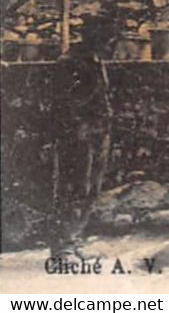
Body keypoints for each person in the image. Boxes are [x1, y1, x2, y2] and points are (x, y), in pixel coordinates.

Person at [46, 16, 113, 256]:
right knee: (74, 187)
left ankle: (75, 237)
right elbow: (62, 102)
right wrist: (78, 128)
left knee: (92, 187)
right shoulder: (69, 62)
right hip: (78, 134)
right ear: (92, 36)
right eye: (105, 37)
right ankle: (62, 246)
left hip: (99, 132)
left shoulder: (97, 61)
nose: (109, 43)